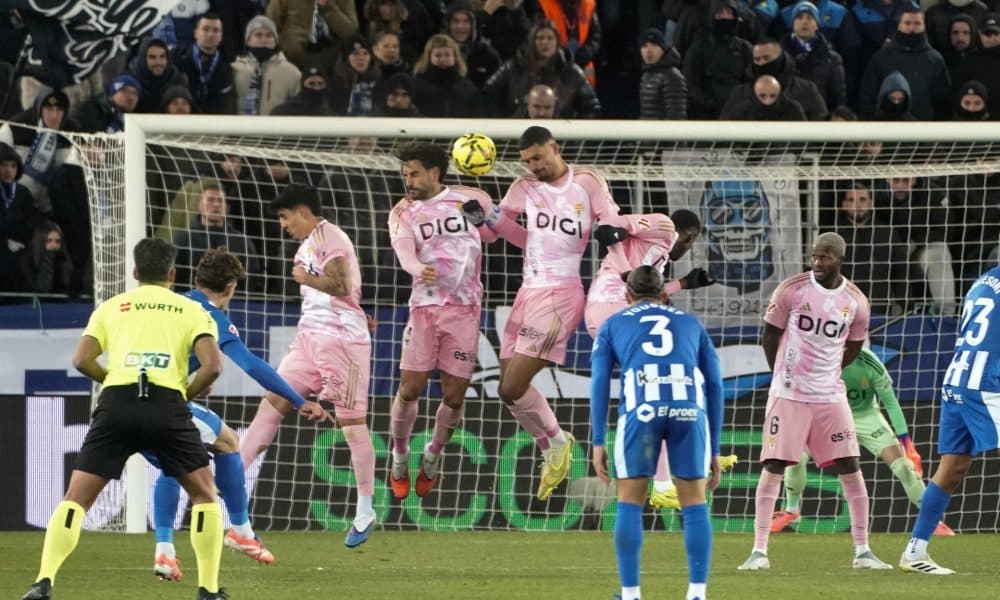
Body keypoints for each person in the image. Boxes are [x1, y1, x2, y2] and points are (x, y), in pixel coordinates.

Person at [21, 238, 228, 600]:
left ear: (135, 272)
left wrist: (114, 382)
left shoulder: (112, 307)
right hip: (166, 404)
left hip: (117, 402)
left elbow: (82, 359)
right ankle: (208, 591)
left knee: (75, 499)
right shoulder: (191, 309)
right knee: (203, 494)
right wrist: (183, 394)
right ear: (173, 273)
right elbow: (212, 366)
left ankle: (43, 581)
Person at [462, 125, 634, 500]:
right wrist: (482, 218)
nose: (533, 166)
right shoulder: (523, 188)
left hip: (561, 292)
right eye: (527, 161)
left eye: (538, 158)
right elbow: (499, 236)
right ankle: (553, 446)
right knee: (508, 391)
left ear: (555, 149)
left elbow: (612, 217)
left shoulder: (586, 182)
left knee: (510, 385)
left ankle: (557, 441)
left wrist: (610, 230)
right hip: (527, 292)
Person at [150, 248, 331, 581]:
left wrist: (191, 381)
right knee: (229, 441)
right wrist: (296, 399)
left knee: (169, 463)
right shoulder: (212, 317)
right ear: (231, 287)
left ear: (193, 279)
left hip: (119, 399)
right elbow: (251, 365)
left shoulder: (169, 303)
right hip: (163, 402)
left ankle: (164, 550)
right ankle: (241, 530)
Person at [738, 232, 891, 571]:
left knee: (850, 464)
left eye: (825, 257)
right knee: (774, 464)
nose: (817, 263)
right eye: (814, 257)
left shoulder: (856, 302)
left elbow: (853, 346)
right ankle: (759, 551)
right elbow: (769, 335)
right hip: (789, 394)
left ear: (840, 258)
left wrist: (828, 370)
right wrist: (782, 373)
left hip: (829, 396)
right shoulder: (792, 289)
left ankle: (863, 551)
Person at [238, 184, 377, 548]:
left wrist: (306, 279)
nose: (283, 225)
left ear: (302, 211)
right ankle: (230, 484)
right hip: (309, 338)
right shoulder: (305, 245)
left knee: (351, 424)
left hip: (342, 342)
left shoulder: (329, 235)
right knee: (273, 402)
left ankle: (365, 509)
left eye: (285, 217)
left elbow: (341, 284)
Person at [590, 266, 723, 600]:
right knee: (694, 502)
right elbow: (716, 385)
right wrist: (716, 448)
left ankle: (632, 594)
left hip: (642, 410)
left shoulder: (613, 324)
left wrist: (597, 440)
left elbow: (599, 383)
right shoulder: (691, 323)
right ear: (665, 293)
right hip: (688, 410)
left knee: (630, 502)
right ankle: (696, 593)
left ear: (627, 294)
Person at [386, 142, 499, 499]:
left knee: (453, 396)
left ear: (435, 171)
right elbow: (404, 253)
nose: (409, 181)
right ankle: (400, 455)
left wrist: (480, 220)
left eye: (414, 173)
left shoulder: (472, 197)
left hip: (465, 311)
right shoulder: (403, 211)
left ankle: (433, 455)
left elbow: (494, 236)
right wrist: (420, 269)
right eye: (405, 174)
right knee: (410, 388)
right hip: (424, 309)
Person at [771, 347, 955, 536]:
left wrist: (908, 444)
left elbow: (890, 403)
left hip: (865, 416)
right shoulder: (816, 360)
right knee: (795, 457)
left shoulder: (869, 363)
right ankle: (791, 511)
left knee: (903, 467)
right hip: (827, 415)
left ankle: (932, 522)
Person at [899, 264, 1000, 574]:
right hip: (985, 383)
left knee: (953, 466)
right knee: (951, 466)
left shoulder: (983, 280)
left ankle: (914, 552)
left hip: (958, 379)